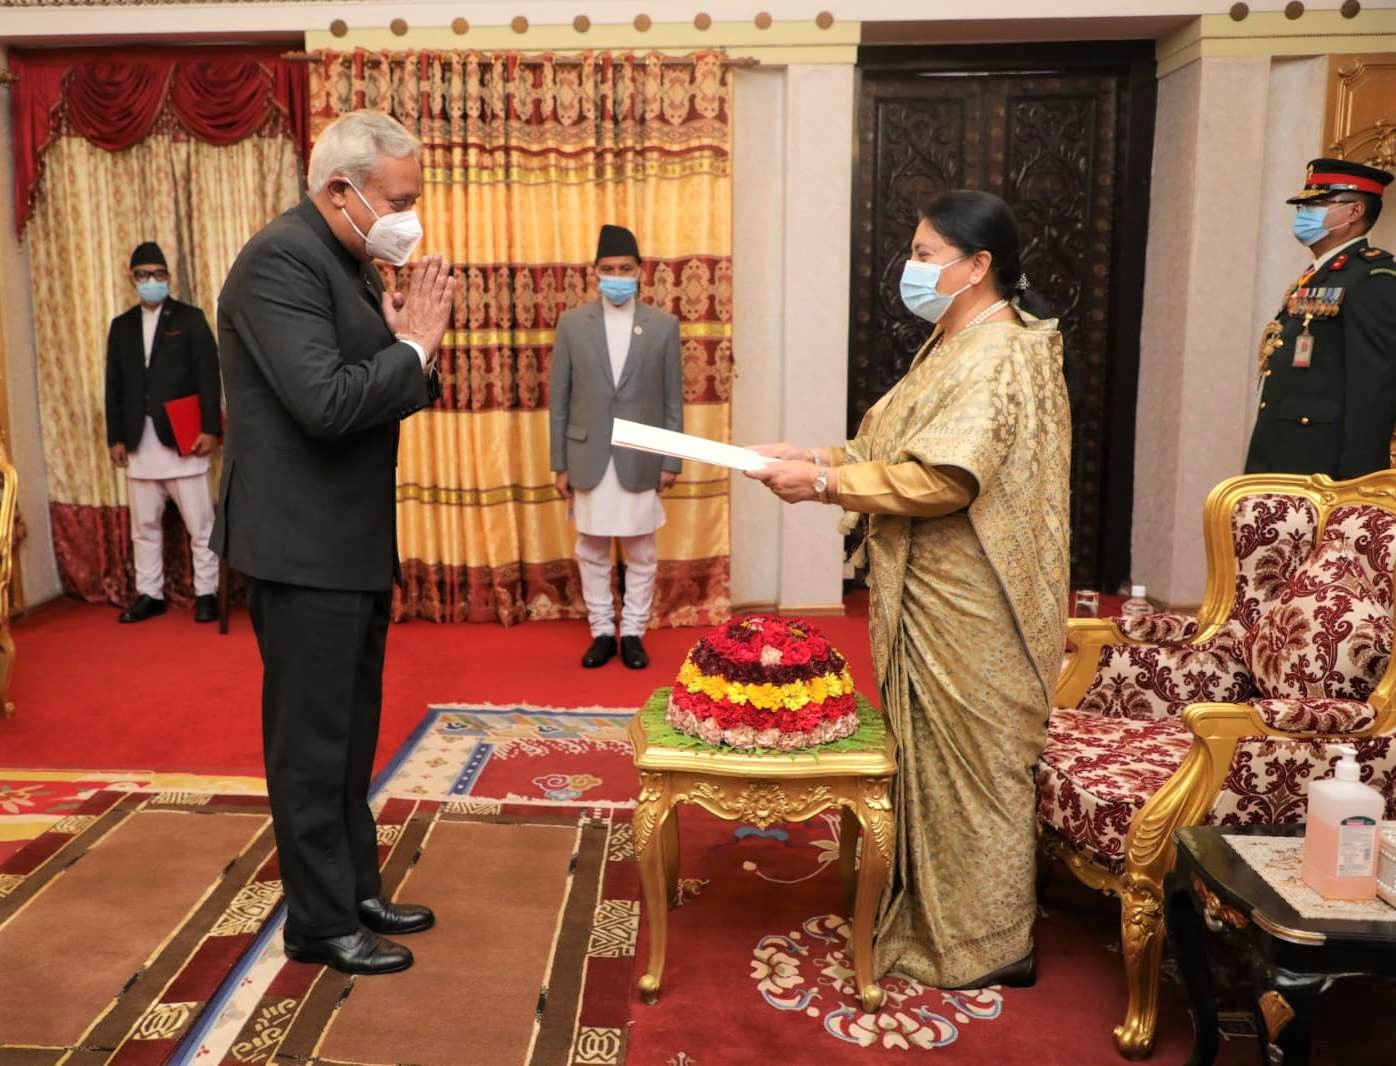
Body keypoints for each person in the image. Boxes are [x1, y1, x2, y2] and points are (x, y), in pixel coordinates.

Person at [747, 190, 1070, 990]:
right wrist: (817, 453)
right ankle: (937, 912)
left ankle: (990, 942)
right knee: (930, 762)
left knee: (975, 771)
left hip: (970, 598)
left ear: (979, 265)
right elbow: (894, 443)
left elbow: (944, 479)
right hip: (932, 588)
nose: (911, 268)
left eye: (926, 255)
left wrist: (824, 484)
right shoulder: (954, 340)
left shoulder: (998, 354)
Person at [212, 111, 454, 975]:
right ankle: (317, 922)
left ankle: (353, 887)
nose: (409, 216)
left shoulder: (348, 260)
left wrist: (404, 346)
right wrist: (412, 344)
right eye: (399, 199)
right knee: (311, 743)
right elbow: (325, 404)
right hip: (300, 544)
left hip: (347, 541)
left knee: (351, 734)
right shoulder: (280, 259)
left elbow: (377, 384)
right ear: (340, 189)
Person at [549, 224, 683, 670]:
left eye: (625, 268)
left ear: (640, 271)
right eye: (608, 269)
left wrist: (671, 459)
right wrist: (559, 463)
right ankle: (602, 631)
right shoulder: (572, 325)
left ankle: (634, 634)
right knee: (591, 548)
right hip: (588, 457)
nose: (617, 275)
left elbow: (671, 400)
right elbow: (560, 400)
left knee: (641, 550)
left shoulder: (663, 327)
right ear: (596, 273)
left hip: (641, 456)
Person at [1246, 157, 1396, 478]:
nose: (1304, 214)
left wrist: (1356, 485)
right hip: (1284, 457)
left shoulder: (1372, 278)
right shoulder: (1318, 275)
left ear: (1354, 212)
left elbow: (1374, 389)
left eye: (1318, 203)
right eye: (1304, 205)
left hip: (1324, 474)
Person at [104, 242, 221, 623]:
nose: (150, 281)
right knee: (145, 527)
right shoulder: (121, 327)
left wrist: (210, 429)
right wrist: (115, 437)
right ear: (131, 279)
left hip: (185, 439)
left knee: (201, 526)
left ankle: (207, 593)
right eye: (142, 275)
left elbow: (208, 377)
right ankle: (149, 594)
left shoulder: (189, 318)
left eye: (157, 274)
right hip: (140, 440)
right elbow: (114, 386)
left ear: (168, 277)